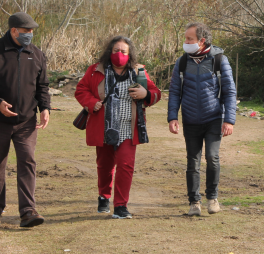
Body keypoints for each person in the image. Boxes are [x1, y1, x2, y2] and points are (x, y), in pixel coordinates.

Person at [0, 12, 50, 228]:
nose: (30, 35)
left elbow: (42, 85)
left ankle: (28, 211)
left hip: (27, 121)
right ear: (14, 30)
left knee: (27, 162)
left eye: (32, 32)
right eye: (26, 32)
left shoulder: (36, 54)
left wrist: (45, 108)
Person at [75, 36, 161, 219]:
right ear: (109, 52)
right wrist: (91, 103)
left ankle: (121, 205)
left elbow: (156, 93)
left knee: (126, 165)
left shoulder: (139, 71)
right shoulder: (95, 70)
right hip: (103, 127)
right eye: (116, 50)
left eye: (123, 51)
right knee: (105, 166)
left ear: (130, 54)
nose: (119, 54)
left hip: (129, 128)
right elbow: (81, 90)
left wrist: (145, 93)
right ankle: (104, 196)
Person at [168, 22, 236, 216]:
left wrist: (229, 120)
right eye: (186, 38)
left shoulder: (219, 60)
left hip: (213, 118)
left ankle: (212, 198)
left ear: (202, 41)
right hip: (190, 120)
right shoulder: (181, 63)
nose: (186, 42)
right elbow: (174, 92)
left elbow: (230, 92)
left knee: (212, 158)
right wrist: (172, 117)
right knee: (192, 161)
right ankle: (194, 202)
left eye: (189, 39)